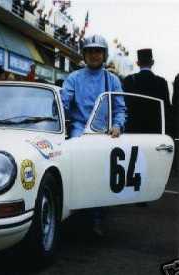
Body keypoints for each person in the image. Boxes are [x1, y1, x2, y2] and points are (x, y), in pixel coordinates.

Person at [61, 34, 126, 237]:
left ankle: (97, 217)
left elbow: (120, 109)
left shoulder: (112, 80)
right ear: (84, 54)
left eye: (98, 51)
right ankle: (72, 211)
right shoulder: (73, 77)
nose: (94, 55)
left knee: (102, 175)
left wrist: (117, 125)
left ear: (104, 54)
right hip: (80, 128)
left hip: (104, 131)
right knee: (72, 163)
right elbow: (63, 102)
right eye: (90, 51)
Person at [123, 49, 172, 136]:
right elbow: (167, 108)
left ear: (137, 63)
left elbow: (124, 106)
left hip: (133, 130)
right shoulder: (161, 82)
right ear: (152, 62)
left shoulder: (129, 80)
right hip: (156, 130)